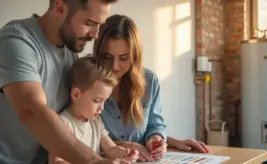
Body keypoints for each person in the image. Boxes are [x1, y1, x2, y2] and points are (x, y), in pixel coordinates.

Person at [0, 0, 122, 164]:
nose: (95, 35)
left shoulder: (69, 52)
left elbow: (72, 122)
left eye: (99, 25)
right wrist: (93, 161)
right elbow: (32, 111)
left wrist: (117, 147)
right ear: (59, 8)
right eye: (90, 23)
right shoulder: (16, 41)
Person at [92, 14, 211, 162]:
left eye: (123, 58)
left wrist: (156, 140)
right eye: (108, 57)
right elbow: (78, 136)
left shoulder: (149, 81)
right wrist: (123, 146)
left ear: (135, 56)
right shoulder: (86, 82)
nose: (115, 66)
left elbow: (154, 125)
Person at [49, 56, 139, 164]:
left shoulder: (96, 122)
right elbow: (56, 161)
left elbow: (110, 149)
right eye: (97, 100)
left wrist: (125, 154)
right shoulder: (62, 124)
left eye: (104, 101)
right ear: (76, 94)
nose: (102, 107)